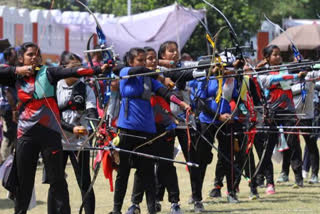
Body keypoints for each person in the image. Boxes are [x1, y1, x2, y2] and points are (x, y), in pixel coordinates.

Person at [0, 42, 109, 214]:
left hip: (49, 135)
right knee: (23, 182)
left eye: (37, 54)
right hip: (25, 135)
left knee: (57, 181)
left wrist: (97, 70)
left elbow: (73, 71)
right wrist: (17, 70)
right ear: (21, 58)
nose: (34, 57)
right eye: (29, 55)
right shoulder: (15, 76)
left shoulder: (48, 72)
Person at [110, 47, 190, 214]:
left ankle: (152, 209)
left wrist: (181, 104)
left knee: (146, 172)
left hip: (147, 132)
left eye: (144, 59)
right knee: (123, 171)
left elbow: (165, 93)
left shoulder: (149, 80)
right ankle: (117, 210)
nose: (143, 62)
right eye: (140, 59)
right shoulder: (126, 72)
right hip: (126, 129)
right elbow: (139, 70)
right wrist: (158, 73)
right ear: (131, 62)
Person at [257, 45, 306, 190]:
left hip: (288, 110)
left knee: (293, 142)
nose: (278, 57)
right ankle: (262, 178)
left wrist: (300, 65)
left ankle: (298, 177)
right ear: (267, 58)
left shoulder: (285, 68)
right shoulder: (263, 72)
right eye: (275, 55)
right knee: (268, 144)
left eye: (279, 55)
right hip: (272, 111)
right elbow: (280, 78)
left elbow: (289, 76)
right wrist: (297, 75)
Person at [56, 51, 98, 214]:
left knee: (84, 182)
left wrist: (97, 128)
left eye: (79, 68)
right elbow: (54, 115)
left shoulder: (85, 88)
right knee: (57, 182)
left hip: (80, 142)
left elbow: (92, 111)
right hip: (58, 140)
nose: (77, 71)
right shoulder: (55, 86)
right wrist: (71, 128)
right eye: (73, 68)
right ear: (62, 67)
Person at [0, 47, 18, 164]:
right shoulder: (6, 70)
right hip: (8, 108)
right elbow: (8, 92)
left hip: (9, 108)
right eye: (14, 55)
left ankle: (15, 158)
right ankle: (4, 160)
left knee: (15, 134)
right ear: (8, 57)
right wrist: (13, 109)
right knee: (9, 135)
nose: (16, 57)